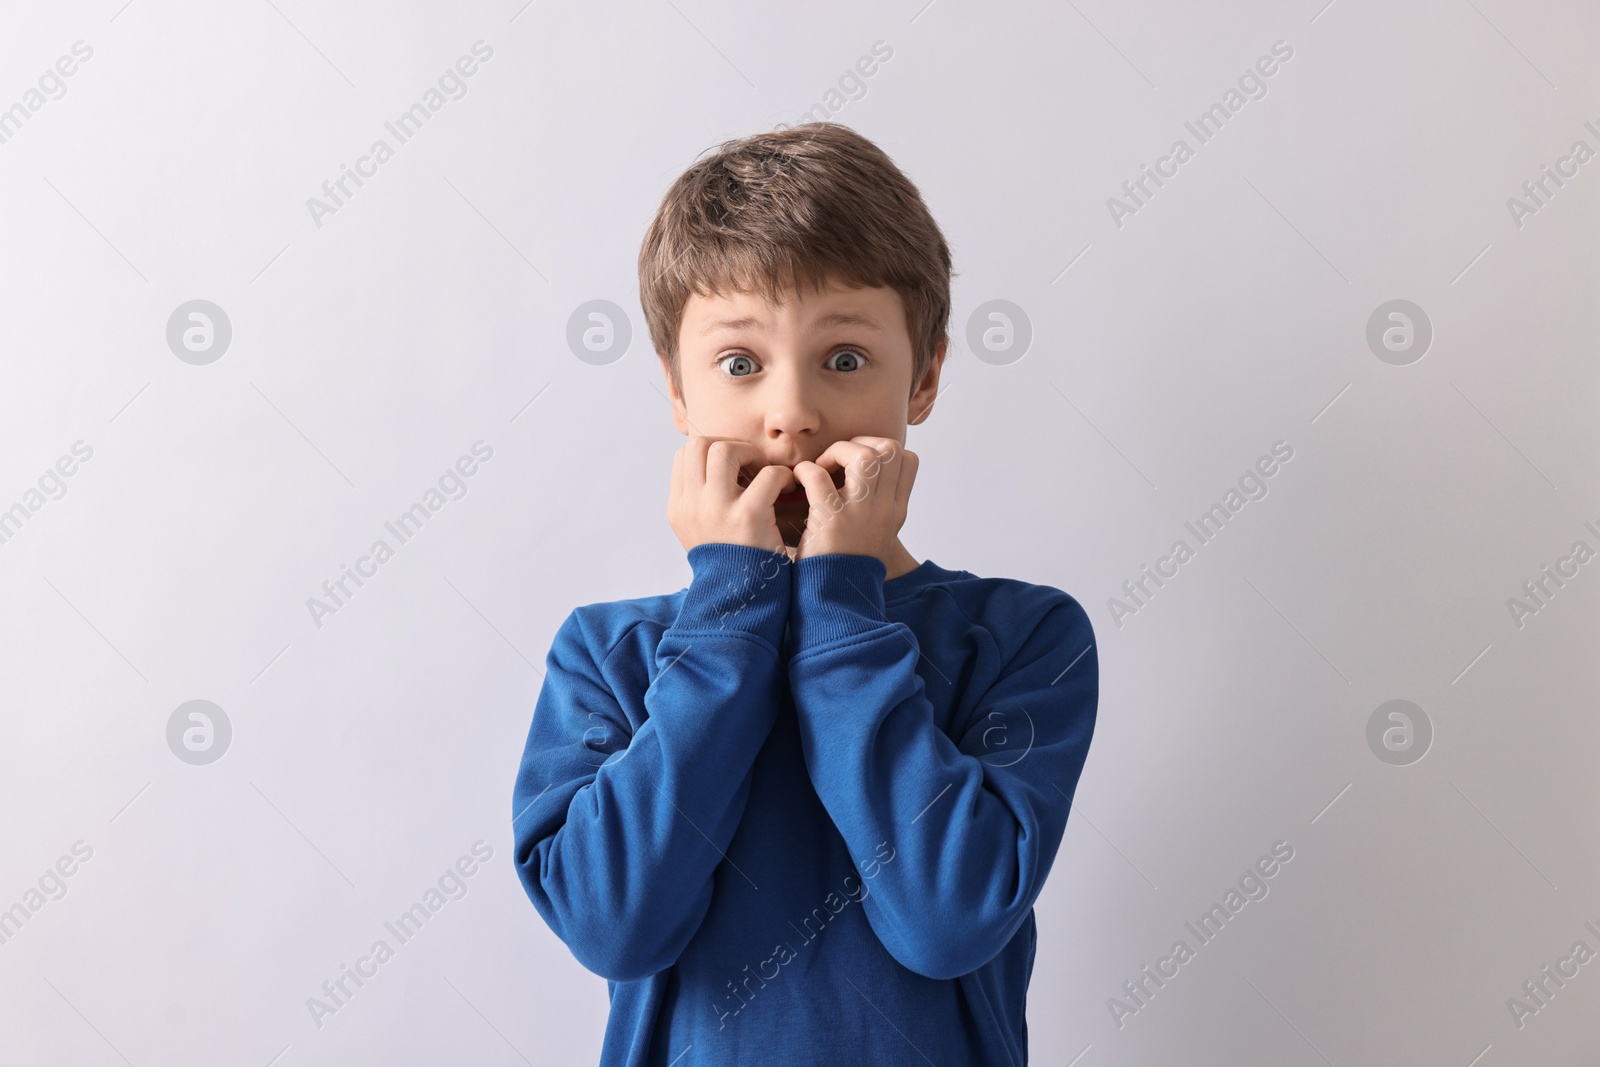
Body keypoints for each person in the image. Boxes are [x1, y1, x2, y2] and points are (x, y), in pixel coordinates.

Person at [511, 121, 1098, 1066]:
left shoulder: (1025, 637)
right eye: (740, 364)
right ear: (676, 392)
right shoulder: (606, 653)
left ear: (927, 376)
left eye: (846, 358)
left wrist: (840, 601)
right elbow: (614, 925)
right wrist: (730, 611)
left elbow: (946, 919)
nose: (793, 412)